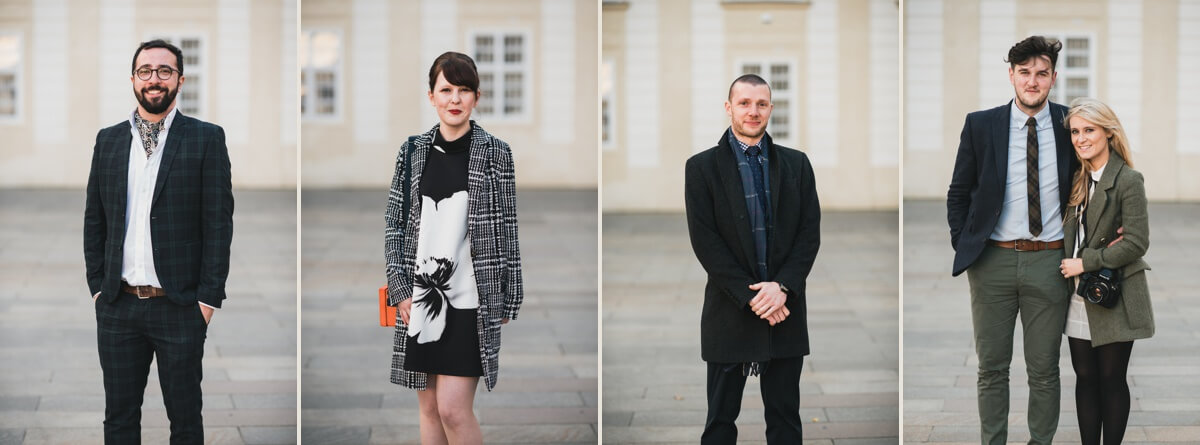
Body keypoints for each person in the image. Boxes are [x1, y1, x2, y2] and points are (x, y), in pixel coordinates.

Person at [84, 39, 234, 444]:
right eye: (145, 71)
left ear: (180, 80)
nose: (155, 79)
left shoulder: (206, 139)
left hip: (180, 307)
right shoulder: (109, 140)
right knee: (118, 419)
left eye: (164, 71)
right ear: (133, 79)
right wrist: (98, 288)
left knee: (185, 421)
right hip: (118, 307)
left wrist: (206, 300)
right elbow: (94, 220)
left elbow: (218, 225)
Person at [383, 51, 524, 445]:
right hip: (421, 298)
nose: (455, 99)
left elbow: (508, 228)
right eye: (446, 89)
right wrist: (399, 289)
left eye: (464, 90)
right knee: (429, 410)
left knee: (453, 410)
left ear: (477, 97)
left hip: (471, 299)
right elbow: (395, 224)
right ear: (431, 96)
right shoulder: (412, 151)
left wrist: (509, 296)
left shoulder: (496, 152)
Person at [945, 35, 1079, 445]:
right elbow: (959, 191)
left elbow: (1098, 178)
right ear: (1011, 76)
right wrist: (966, 244)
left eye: (1041, 74)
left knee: (1044, 369)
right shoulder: (981, 124)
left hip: (1050, 262)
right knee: (991, 368)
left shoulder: (1070, 122)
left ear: (1053, 78)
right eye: (1025, 73)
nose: (1033, 82)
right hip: (993, 263)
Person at [684, 73, 821, 444]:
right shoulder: (701, 168)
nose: (753, 111)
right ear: (729, 108)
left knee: (785, 421)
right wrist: (754, 298)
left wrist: (783, 288)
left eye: (761, 104)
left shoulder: (797, 164)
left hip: (785, 309)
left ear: (771, 109)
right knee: (720, 423)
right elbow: (706, 243)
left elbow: (809, 235)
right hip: (731, 312)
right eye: (744, 103)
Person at [1059, 97, 1154, 445]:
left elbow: (1137, 242)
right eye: (1075, 132)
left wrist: (1087, 262)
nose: (1081, 138)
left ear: (1108, 133)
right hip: (1078, 296)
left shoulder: (1128, 179)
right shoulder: (1077, 181)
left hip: (1113, 294)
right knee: (1084, 377)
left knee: (1112, 378)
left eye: (1089, 130)